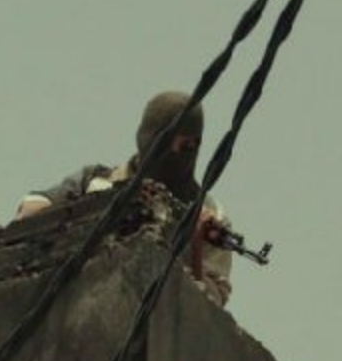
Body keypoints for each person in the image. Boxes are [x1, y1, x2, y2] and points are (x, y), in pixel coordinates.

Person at [13, 91, 233, 306]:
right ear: (147, 138)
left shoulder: (211, 217)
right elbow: (32, 211)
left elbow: (209, 308)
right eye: (167, 142)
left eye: (188, 146)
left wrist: (195, 246)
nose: (177, 154)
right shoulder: (93, 182)